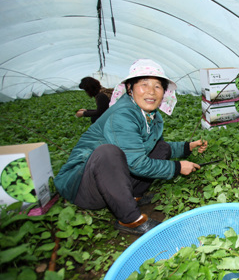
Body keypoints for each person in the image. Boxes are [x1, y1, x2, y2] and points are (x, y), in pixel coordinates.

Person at [54, 59, 208, 235]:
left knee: (161, 148)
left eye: (157, 86)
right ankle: (130, 220)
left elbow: (159, 147)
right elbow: (136, 163)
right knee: (107, 153)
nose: (151, 91)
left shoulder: (153, 117)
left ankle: (130, 197)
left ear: (164, 92)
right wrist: (178, 167)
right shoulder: (123, 115)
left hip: (112, 182)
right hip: (84, 186)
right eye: (144, 84)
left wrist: (188, 147)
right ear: (130, 88)